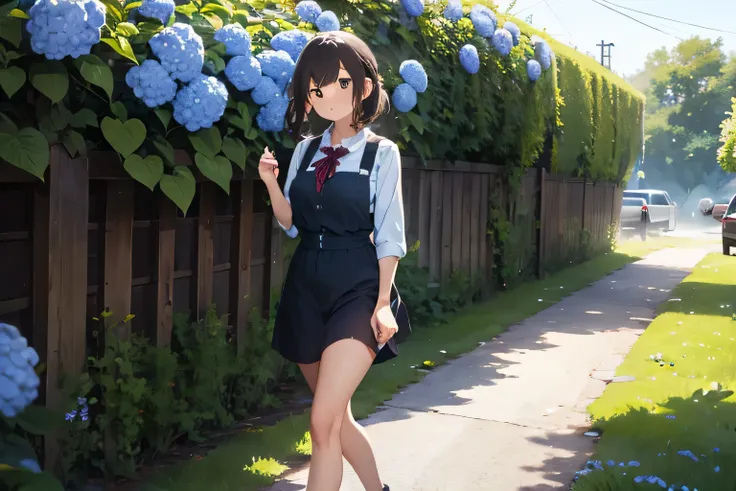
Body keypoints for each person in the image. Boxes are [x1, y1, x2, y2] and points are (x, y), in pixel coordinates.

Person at [258, 31, 406, 491]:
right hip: (306, 286)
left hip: (357, 288)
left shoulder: (382, 154)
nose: (327, 97)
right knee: (336, 419)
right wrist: (270, 184)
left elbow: (390, 233)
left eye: (340, 83)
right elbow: (292, 223)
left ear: (363, 87)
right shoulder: (305, 150)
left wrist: (382, 302)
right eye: (316, 89)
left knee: (321, 424)